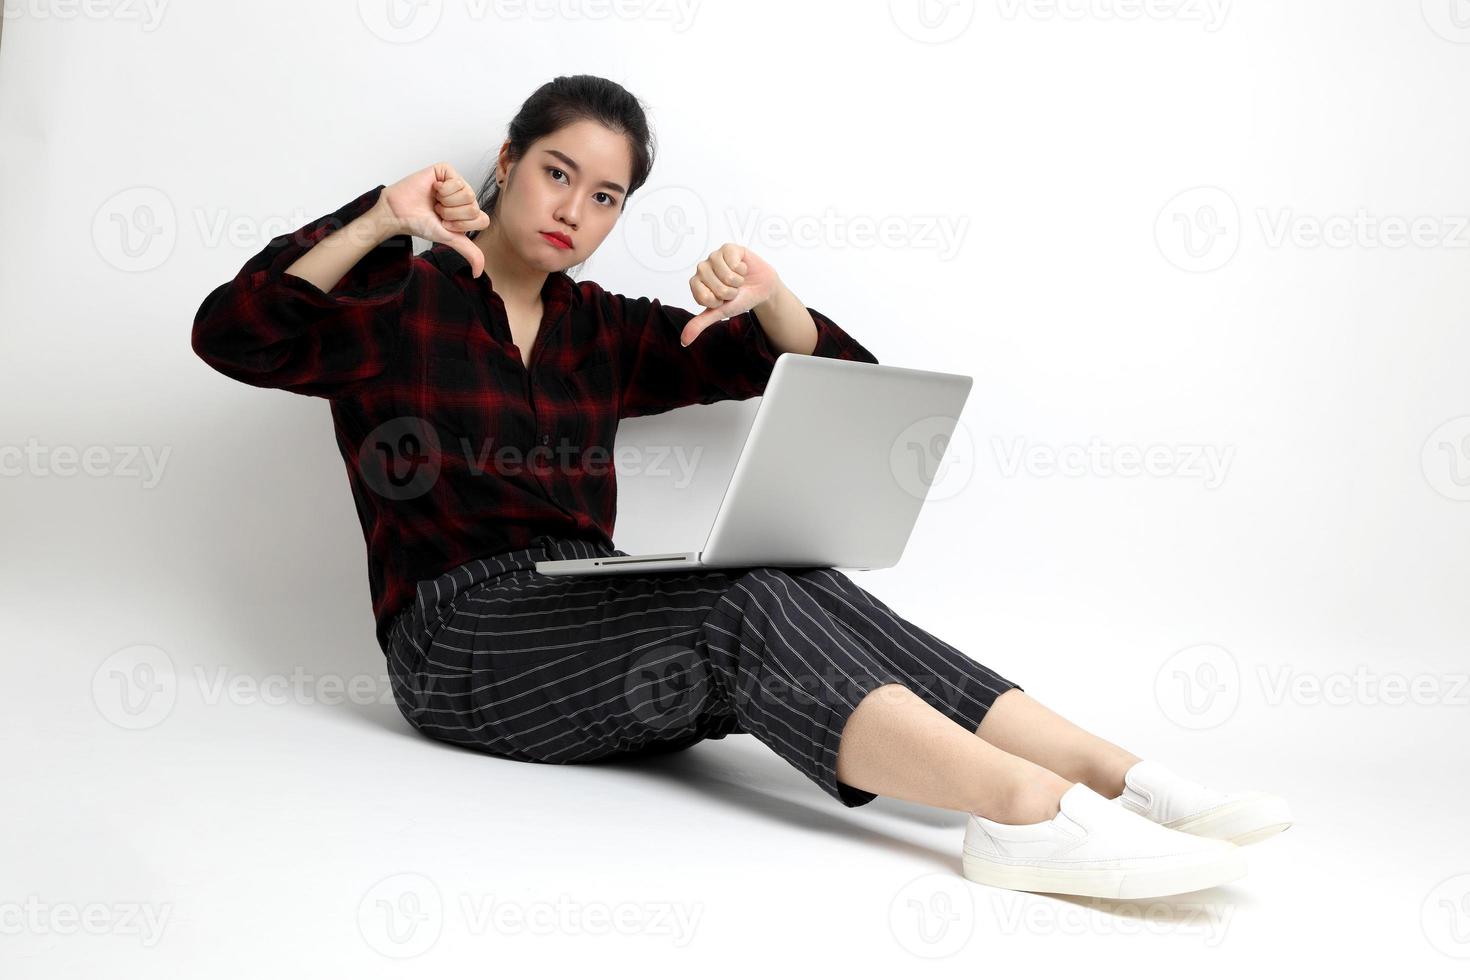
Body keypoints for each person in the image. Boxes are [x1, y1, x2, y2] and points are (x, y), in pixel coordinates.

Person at [190, 74, 1291, 900]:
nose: (575, 206)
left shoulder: (601, 328)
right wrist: (381, 217)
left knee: (792, 572)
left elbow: (823, 381)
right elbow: (234, 333)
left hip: (585, 613)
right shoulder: (402, 301)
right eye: (558, 172)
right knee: (737, 602)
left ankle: (1119, 777)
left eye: (607, 195)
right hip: (458, 642)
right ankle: (1021, 813)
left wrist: (772, 296)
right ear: (508, 161)